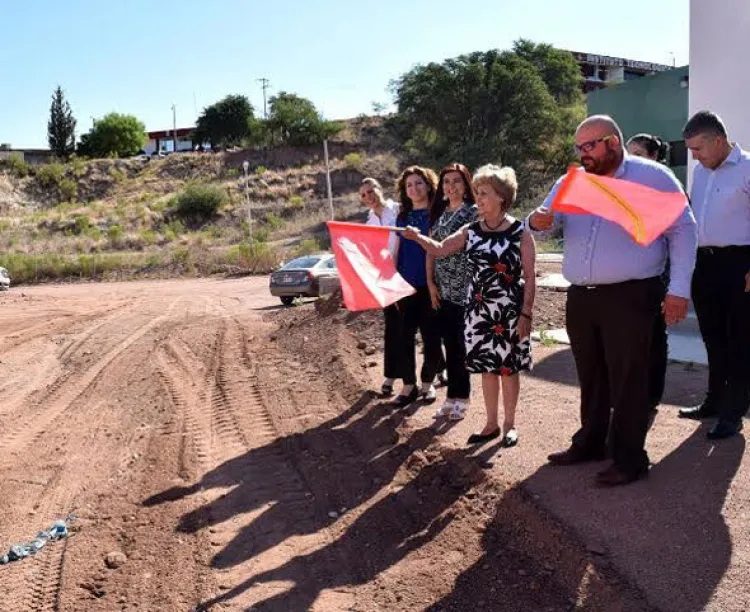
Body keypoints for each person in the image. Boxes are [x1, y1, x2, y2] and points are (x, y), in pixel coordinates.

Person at [529, 115, 697, 487]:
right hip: (582, 296)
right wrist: (538, 221)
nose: (583, 153)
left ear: (613, 142)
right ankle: (590, 443)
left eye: (590, 146)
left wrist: (679, 289)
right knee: (591, 376)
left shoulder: (652, 177)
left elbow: (683, 230)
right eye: (579, 147)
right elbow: (543, 219)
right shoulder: (571, 181)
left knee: (628, 380)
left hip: (631, 293)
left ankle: (629, 459)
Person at [403, 164, 535, 447]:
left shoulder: (520, 232)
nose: (479, 198)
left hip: (510, 311)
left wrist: (526, 313)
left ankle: (510, 426)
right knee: (488, 368)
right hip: (479, 311)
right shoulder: (470, 230)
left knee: (508, 369)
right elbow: (439, 249)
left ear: (501, 196)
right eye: (477, 192)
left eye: (484, 193)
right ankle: (490, 424)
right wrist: (417, 237)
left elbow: (530, 276)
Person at [677, 111, 750, 439]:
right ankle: (714, 402)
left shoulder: (748, 168)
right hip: (705, 265)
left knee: (740, 341)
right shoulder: (702, 172)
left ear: (719, 141)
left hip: (741, 265)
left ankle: (733, 413)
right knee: (713, 338)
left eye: (698, 149)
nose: (694, 156)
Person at [626, 133, 673, 424]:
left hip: (656, 273)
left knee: (653, 337)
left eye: (639, 154)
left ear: (654, 157)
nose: (632, 160)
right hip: (629, 277)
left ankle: (651, 396)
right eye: (629, 154)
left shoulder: (664, 185)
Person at [427, 163, 478, 421]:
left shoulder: (474, 212)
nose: (451, 186)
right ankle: (450, 398)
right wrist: (431, 284)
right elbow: (430, 250)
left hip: (465, 288)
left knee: (460, 347)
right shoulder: (440, 214)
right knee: (448, 344)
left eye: (456, 181)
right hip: (442, 289)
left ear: (465, 183)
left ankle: (463, 397)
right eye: (446, 181)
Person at [391, 166, 443, 407]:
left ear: (429, 185)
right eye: (409, 185)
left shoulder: (437, 214)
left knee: (432, 338)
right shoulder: (401, 218)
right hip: (405, 286)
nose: (414, 188)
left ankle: (427, 383)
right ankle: (408, 385)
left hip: (431, 285)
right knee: (404, 337)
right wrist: (392, 284)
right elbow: (394, 252)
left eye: (419, 183)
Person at [360, 177, 402, 397]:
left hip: (407, 275)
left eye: (370, 191)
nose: (368, 197)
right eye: (364, 195)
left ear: (379, 189)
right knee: (392, 328)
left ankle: (435, 371)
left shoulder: (397, 210)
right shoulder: (369, 223)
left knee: (420, 324)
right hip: (386, 281)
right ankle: (390, 377)